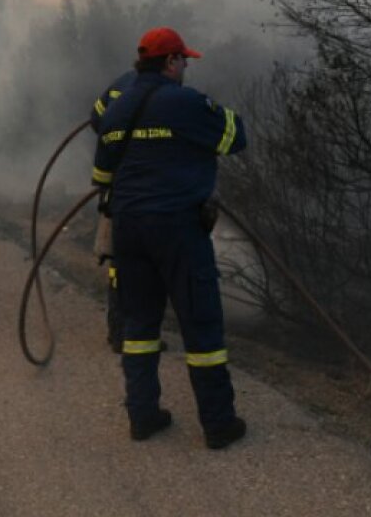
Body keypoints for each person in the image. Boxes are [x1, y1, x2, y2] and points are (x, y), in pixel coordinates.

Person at [91, 28, 248, 449]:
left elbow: (101, 175)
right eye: (184, 61)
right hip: (178, 228)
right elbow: (236, 137)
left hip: (129, 229)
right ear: (172, 62)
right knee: (201, 324)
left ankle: (143, 417)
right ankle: (218, 424)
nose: (186, 67)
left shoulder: (116, 110)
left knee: (140, 325)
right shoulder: (186, 102)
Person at [89, 69, 140, 354]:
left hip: (117, 191)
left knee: (119, 263)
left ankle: (118, 331)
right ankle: (133, 333)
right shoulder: (167, 91)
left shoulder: (118, 85)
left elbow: (96, 118)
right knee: (142, 264)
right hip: (146, 192)